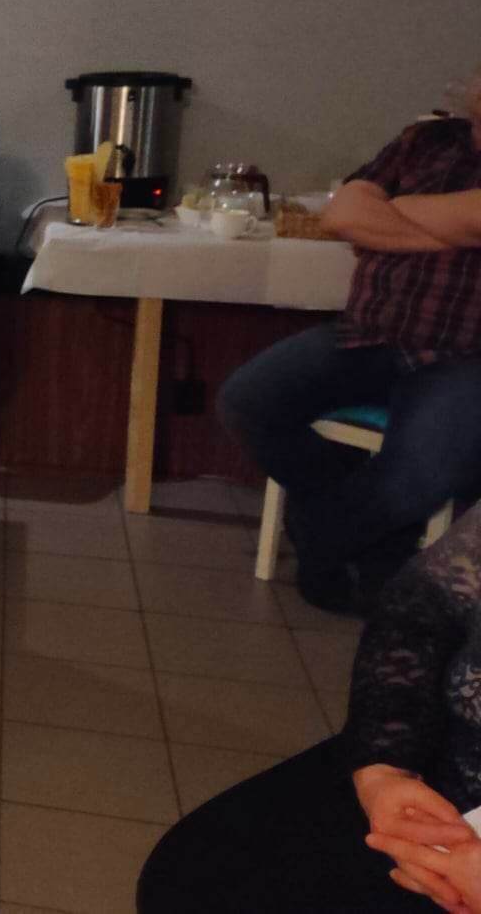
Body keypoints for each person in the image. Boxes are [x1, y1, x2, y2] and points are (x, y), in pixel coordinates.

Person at [218, 74, 481, 614]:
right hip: (367, 331)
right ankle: (369, 534)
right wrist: (449, 230)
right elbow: (342, 213)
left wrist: (391, 213)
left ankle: (323, 535)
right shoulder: (425, 140)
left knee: (427, 471)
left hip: (465, 355)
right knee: (246, 401)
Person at [136, 505, 481, 914]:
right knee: (191, 873)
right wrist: (382, 768)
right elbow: (421, 603)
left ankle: (322, 533)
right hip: (434, 772)